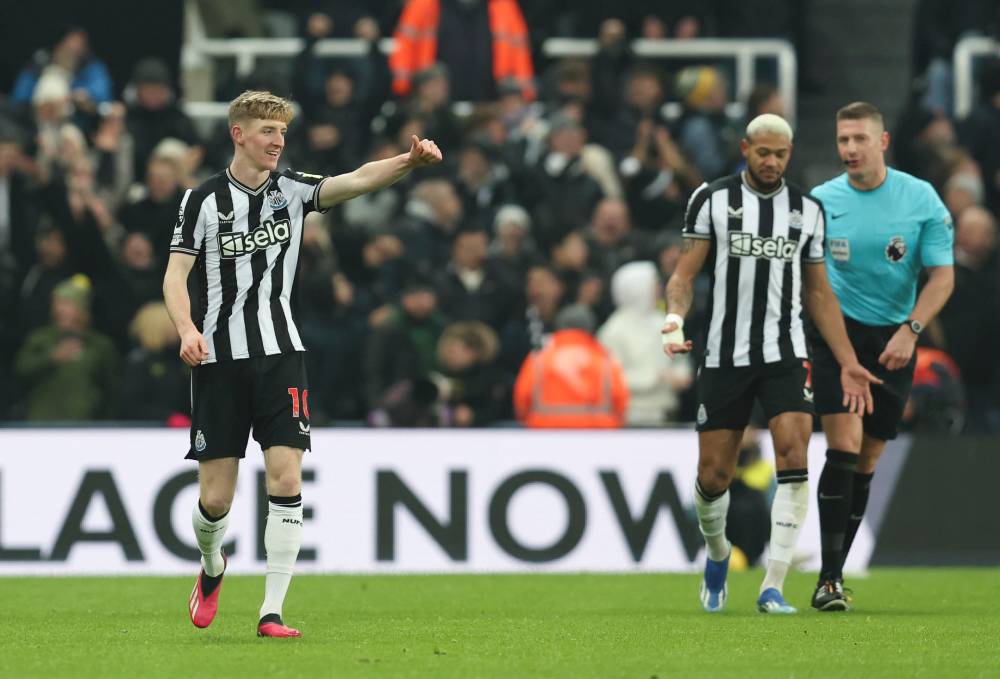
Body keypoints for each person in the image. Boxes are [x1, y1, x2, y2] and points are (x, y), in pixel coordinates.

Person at [162, 90, 442, 638]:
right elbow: (175, 276)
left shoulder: (290, 191)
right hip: (219, 358)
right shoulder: (201, 201)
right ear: (238, 133)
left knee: (286, 476)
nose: (278, 141)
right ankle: (213, 563)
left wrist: (407, 162)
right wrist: (187, 329)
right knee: (215, 498)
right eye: (268, 131)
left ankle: (272, 611)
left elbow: (356, 179)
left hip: (281, 355)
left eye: (282, 133)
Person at [661, 113, 881, 614]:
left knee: (793, 452)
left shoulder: (807, 210)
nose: (772, 162)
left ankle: (773, 586)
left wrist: (846, 361)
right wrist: (674, 318)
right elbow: (684, 274)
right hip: (724, 353)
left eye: (781, 154)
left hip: (786, 351)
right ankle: (718, 554)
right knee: (714, 476)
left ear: (790, 152)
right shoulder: (712, 199)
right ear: (745, 149)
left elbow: (820, 293)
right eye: (763, 152)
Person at [808, 102, 954, 611]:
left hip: (894, 339)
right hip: (836, 331)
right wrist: (844, 355)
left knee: (867, 460)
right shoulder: (822, 202)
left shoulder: (921, 199)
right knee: (843, 448)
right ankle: (827, 580)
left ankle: (836, 572)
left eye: (858, 140)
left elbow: (942, 276)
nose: (848, 149)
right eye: (842, 140)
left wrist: (911, 331)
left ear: (882, 142)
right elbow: (816, 287)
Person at [513, 303, 628, 428]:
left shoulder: (538, 359)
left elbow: (521, 401)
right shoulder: (605, 361)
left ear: (558, 326)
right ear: (590, 328)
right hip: (596, 435)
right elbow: (621, 403)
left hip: (545, 433)